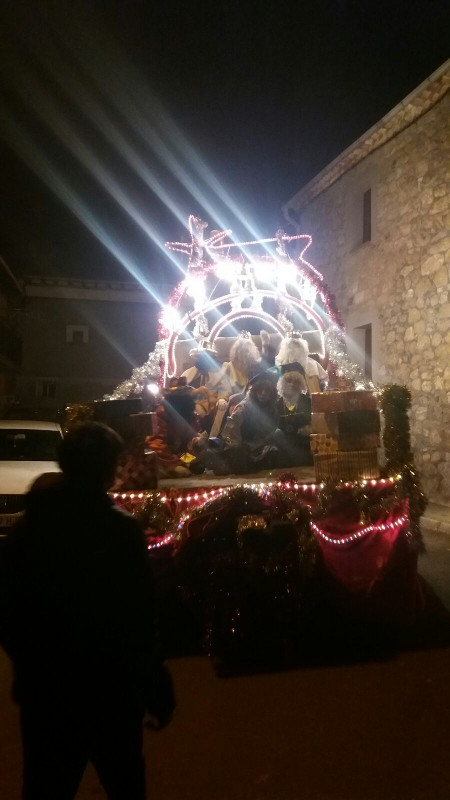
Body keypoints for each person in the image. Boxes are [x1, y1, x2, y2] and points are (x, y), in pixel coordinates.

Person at [0, 422, 174, 800]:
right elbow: (141, 615)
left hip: (47, 695)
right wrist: (153, 680)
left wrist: (31, 665)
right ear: (107, 469)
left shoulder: (30, 529)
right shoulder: (119, 530)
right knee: (124, 783)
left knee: (47, 786)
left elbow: (8, 611)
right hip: (111, 693)